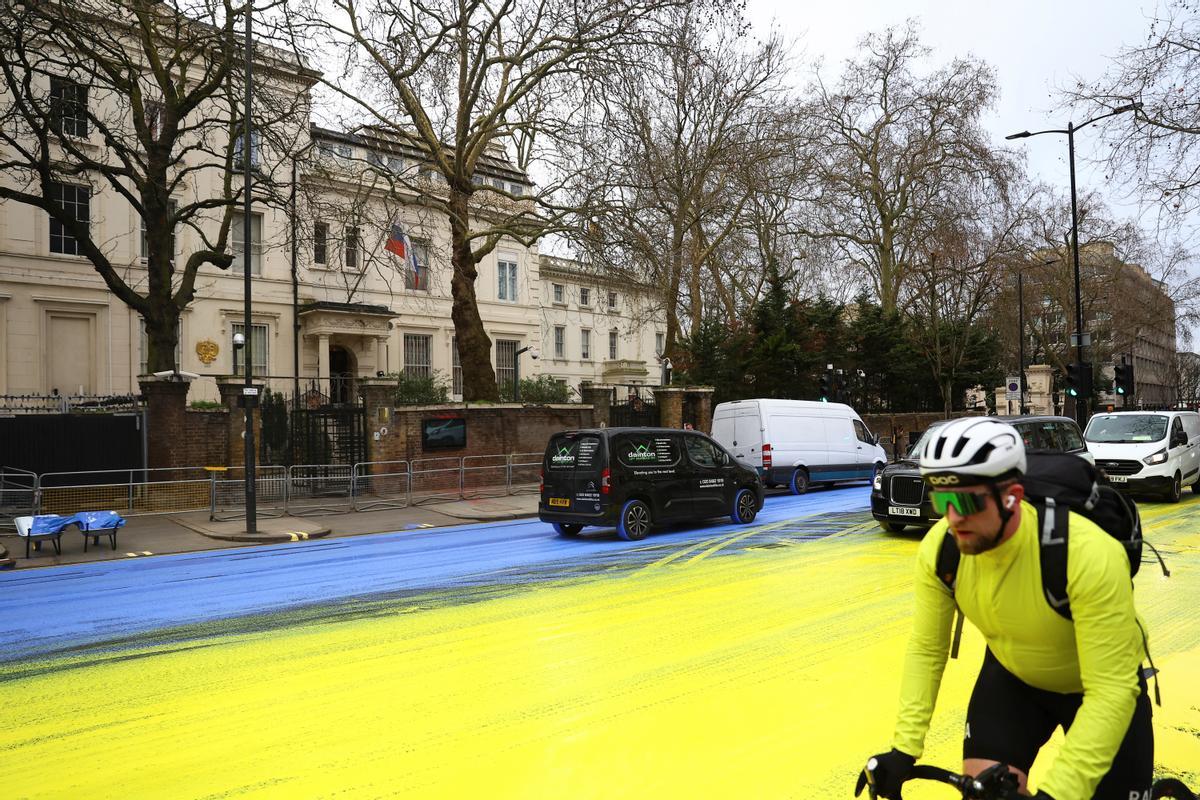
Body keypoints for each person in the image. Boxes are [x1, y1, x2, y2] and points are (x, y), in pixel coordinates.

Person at [855, 417, 1152, 800]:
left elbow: (1110, 691)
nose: (953, 517)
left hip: (1104, 687)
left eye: (965, 501)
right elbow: (927, 649)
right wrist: (904, 749)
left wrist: (1056, 793)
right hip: (1014, 681)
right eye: (943, 501)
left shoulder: (1086, 554)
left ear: (1011, 496)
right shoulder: (941, 549)